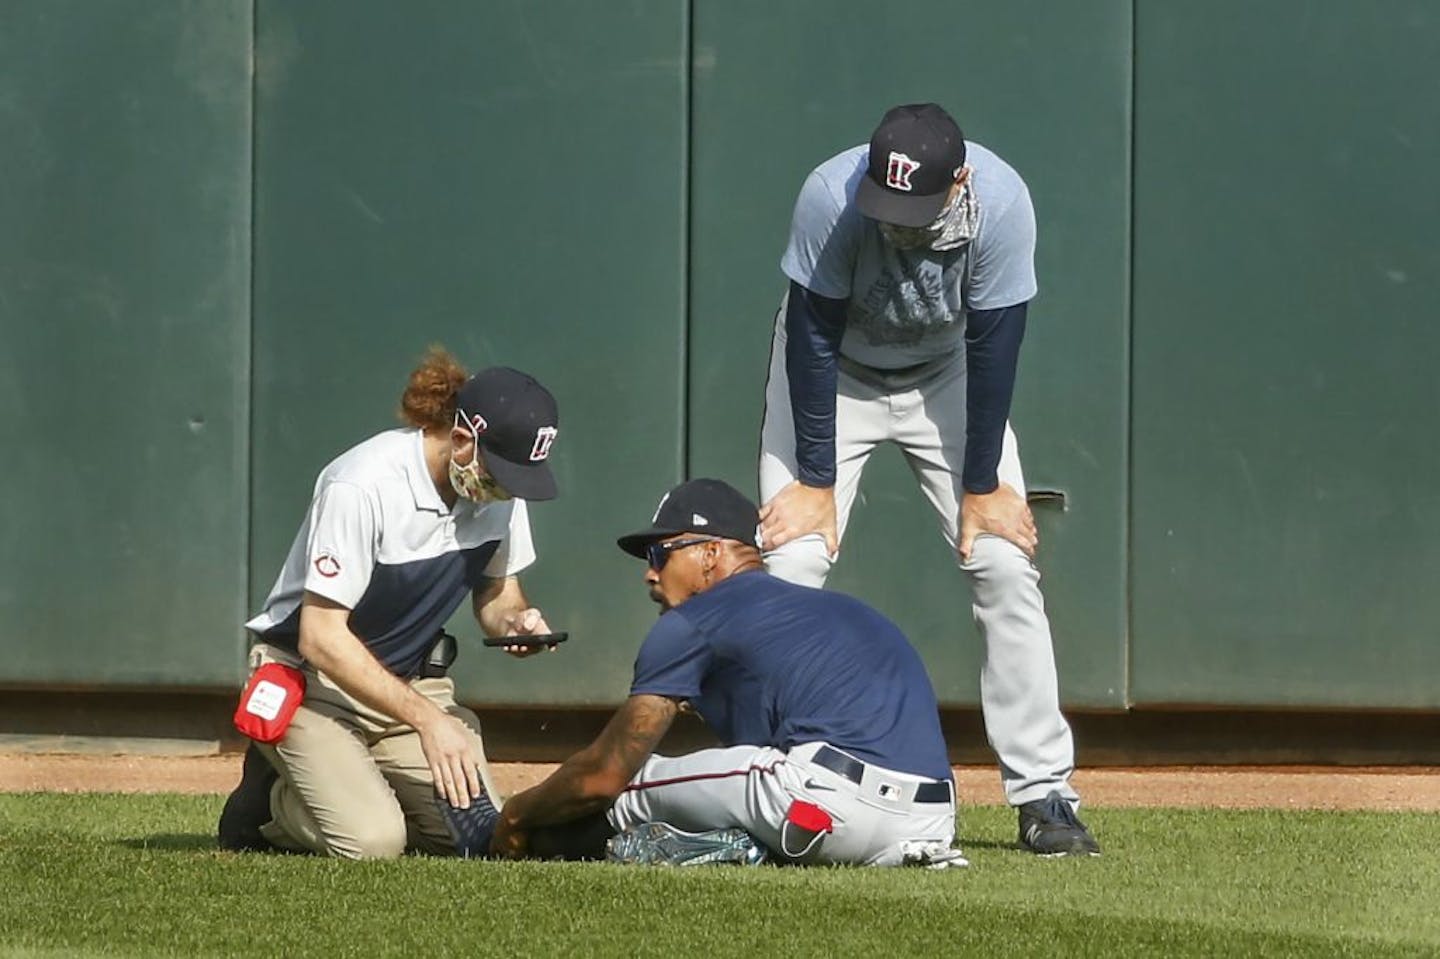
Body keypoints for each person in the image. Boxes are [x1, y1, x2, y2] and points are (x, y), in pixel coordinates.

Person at [757, 103, 1099, 855]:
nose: (896, 220)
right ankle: (768, 779)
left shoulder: (1002, 205)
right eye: (888, 201)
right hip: (834, 374)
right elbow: (810, 335)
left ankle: (1045, 792)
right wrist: (814, 479)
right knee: (791, 561)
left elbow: (996, 344)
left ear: (961, 180)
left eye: (915, 204)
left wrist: (983, 485)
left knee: (1004, 562)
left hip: (946, 374)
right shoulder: (831, 194)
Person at [488, 478, 964, 868]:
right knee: (737, 773)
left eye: (660, 555)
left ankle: (530, 846)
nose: (649, 575)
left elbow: (603, 776)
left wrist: (516, 815)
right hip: (929, 828)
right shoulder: (836, 611)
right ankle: (734, 844)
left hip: (823, 809)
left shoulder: (694, 620)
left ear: (711, 554)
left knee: (637, 784)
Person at [217, 348, 562, 859]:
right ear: (463, 440)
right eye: (503, 472)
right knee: (373, 842)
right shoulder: (362, 483)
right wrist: (429, 720)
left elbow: (497, 591)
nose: (510, 490)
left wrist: (516, 620)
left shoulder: (500, 495)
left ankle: (350, 780)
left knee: (475, 840)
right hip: (311, 683)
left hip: (405, 684)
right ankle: (268, 804)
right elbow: (321, 637)